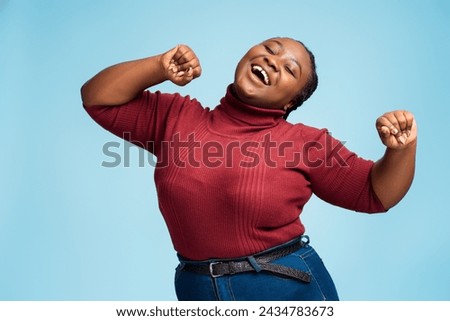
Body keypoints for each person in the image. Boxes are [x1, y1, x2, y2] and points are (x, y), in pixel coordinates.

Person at [81, 37, 417, 301]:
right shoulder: (176, 118)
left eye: (290, 69)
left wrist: (401, 151)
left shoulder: (306, 144)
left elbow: (375, 194)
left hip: (286, 290)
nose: (273, 60)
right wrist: (158, 66)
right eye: (270, 49)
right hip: (197, 290)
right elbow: (97, 98)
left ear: (290, 103)